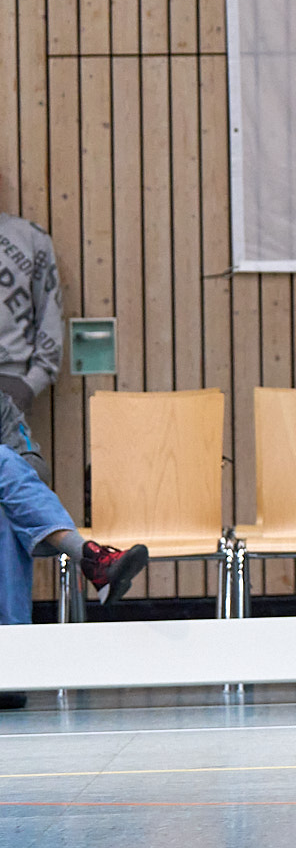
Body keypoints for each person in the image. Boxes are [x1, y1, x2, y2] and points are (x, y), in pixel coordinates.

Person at [1, 442, 146, 707]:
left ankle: (10, 664)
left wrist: (13, 478)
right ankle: (90, 558)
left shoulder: (5, 416)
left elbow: (34, 465)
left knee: (4, 513)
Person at [0, 204, 62, 486]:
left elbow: (50, 317)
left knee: (22, 485)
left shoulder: (30, 238)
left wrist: (28, 385)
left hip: (10, 382)